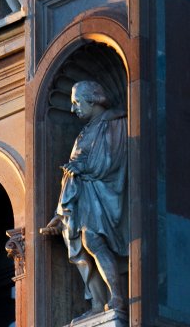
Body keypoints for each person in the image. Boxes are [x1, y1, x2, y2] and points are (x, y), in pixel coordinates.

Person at [39, 80, 128, 317]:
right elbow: (70, 174)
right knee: (80, 251)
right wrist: (60, 214)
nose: (72, 109)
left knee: (93, 243)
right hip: (80, 199)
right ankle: (98, 303)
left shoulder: (114, 123)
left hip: (101, 194)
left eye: (77, 102)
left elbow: (114, 159)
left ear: (93, 100)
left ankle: (117, 296)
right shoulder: (86, 130)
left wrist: (84, 169)